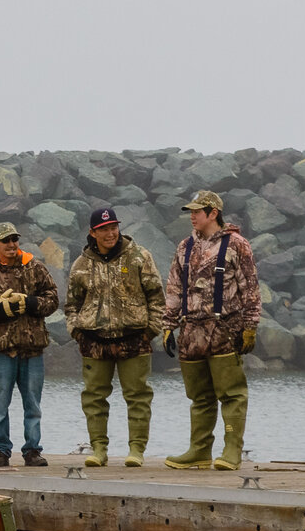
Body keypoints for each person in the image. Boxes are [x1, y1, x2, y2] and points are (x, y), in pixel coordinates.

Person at [162, 189, 259, 470]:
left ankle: (231, 452)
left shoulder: (237, 244)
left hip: (224, 330)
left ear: (213, 213)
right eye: (190, 212)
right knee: (199, 396)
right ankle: (200, 450)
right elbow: (173, 288)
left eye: (197, 211)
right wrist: (168, 326)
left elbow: (250, 289)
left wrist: (250, 326)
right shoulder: (184, 247)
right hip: (191, 331)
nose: (192, 216)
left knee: (231, 394)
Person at [65, 205, 167, 467]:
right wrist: (77, 332)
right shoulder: (81, 265)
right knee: (94, 397)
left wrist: (150, 330)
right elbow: (71, 304)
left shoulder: (139, 257)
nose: (110, 233)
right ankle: (98, 449)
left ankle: (136, 450)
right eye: (104, 229)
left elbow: (156, 296)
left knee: (138, 396)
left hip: (134, 339)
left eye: (113, 227)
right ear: (93, 232)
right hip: (94, 342)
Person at [0, 221, 62, 468]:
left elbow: (52, 300)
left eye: (14, 240)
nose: (11, 245)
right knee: (0, 405)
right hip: (0, 351)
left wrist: (29, 303)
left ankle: (32, 450)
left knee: (33, 405)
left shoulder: (36, 267)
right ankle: (0, 451)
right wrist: (0, 309)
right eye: (5, 240)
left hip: (32, 349)